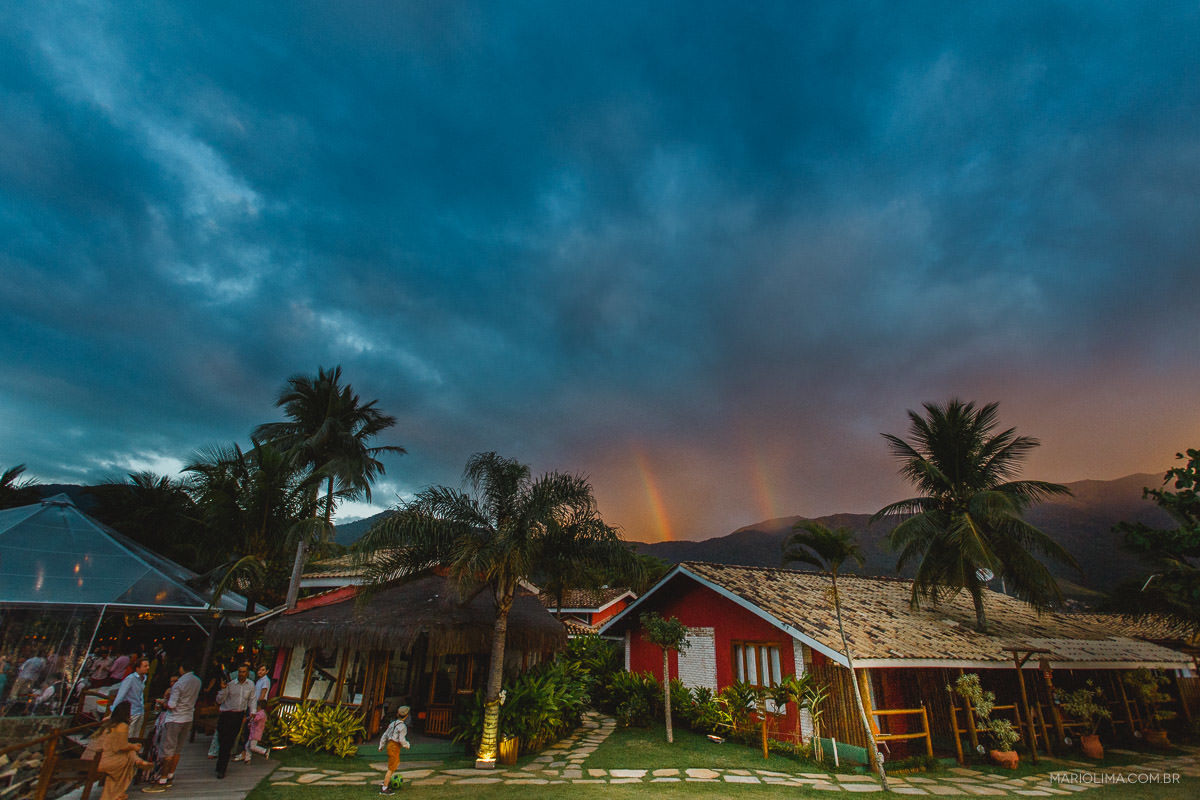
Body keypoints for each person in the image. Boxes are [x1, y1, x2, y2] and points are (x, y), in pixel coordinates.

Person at [146, 662, 200, 791]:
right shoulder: (197, 681)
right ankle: (170, 774)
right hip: (188, 717)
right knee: (178, 748)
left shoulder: (179, 684)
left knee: (168, 748)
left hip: (175, 718)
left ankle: (162, 778)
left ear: (182, 668)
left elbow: (172, 705)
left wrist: (163, 702)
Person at [90, 700, 153, 800]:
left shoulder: (108, 724)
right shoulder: (123, 726)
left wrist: (132, 747)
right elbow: (121, 747)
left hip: (95, 760)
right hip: (104, 762)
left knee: (129, 754)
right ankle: (117, 794)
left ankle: (113, 795)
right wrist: (134, 746)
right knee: (128, 762)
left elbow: (117, 746)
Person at [213, 664, 254, 778]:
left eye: (244, 672)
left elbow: (251, 699)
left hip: (239, 715)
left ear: (247, 673)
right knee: (222, 740)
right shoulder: (230, 684)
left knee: (229, 742)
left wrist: (252, 712)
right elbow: (219, 700)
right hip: (226, 714)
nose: (241, 674)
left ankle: (222, 767)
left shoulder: (250, 685)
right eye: (240, 671)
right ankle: (221, 765)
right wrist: (223, 689)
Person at [238, 664, 272, 763]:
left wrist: (258, 706)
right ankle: (247, 756)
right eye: (259, 670)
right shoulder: (259, 680)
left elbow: (263, 693)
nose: (260, 672)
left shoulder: (265, 680)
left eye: (263, 670)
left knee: (250, 731)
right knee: (249, 731)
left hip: (257, 706)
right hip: (254, 705)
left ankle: (248, 753)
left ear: (267, 671)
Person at [377, 705, 411, 795]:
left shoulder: (392, 724)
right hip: (395, 747)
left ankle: (386, 781)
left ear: (397, 714)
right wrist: (407, 745)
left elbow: (385, 735)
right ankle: (384, 788)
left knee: (394, 764)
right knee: (391, 768)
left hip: (390, 745)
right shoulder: (403, 727)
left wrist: (381, 745)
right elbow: (401, 739)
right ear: (406, 716)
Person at [112, 658, 150, 737]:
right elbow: (120, 696)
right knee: (128, 736)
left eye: (148, 666)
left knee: (136, 735)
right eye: (145, 666)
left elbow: (140, 695)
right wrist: (113, 711)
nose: (148, 668)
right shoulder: (130, 679)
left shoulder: (144, 678)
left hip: (140, 711)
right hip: (131, 713)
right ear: (137, 668)